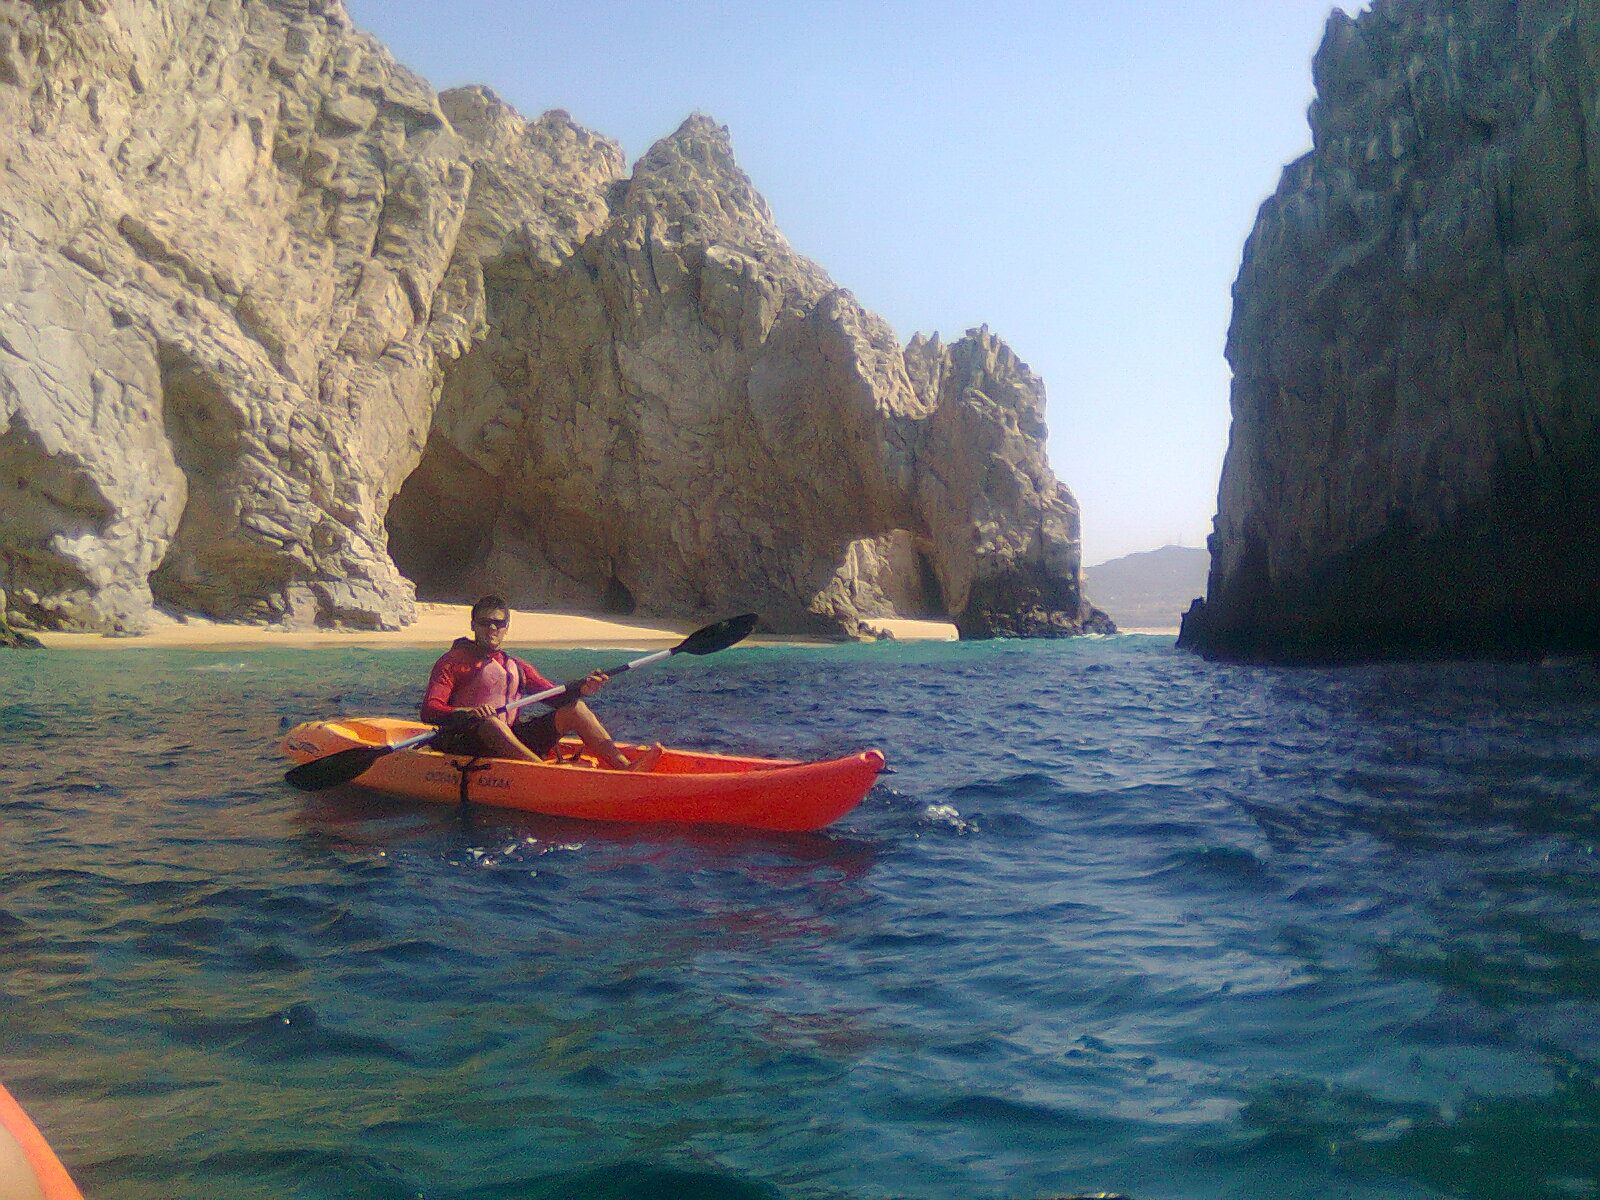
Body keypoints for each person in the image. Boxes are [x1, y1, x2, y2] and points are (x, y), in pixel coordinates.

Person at [421, 595, 662, 771]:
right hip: (467, 742)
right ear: (473, 626)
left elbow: (553, 695)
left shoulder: (515, 666)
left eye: (498, 623)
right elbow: (430, 710)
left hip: (509, 740)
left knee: (575, 708)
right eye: (485, 623)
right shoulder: (452, 662)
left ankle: (625, 769)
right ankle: (545, 773)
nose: (492, 628)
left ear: (506, 628)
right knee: (490, 722)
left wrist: (582, 688)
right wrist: (467, 712)